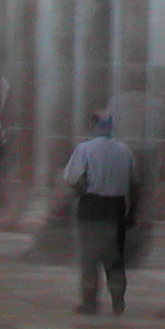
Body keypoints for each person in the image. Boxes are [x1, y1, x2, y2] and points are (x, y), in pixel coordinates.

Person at [63, 113, 138, 315]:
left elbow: (71, 179)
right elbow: (134, 184)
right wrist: (132, 212)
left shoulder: (85, 149)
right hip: (117, 207)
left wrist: (80, 192)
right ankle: (117, 299)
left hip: (92, 206)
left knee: (89, 258)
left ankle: (90, 302)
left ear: (93, 126)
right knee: (114, 258)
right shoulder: (125, 150)